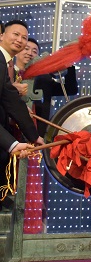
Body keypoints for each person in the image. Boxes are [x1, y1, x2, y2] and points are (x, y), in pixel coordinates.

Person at [0, 20, 44, 208]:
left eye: (24, 37)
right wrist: (12, 144)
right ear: (1, 35)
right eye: (16, 34)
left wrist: (34, 136)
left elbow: (11, 101)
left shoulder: (4, 63)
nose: (20, 40)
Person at [15, 38, 79, 137]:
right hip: (11, 131)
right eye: (26, 49)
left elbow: (71, 89)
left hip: (38, 133)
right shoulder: (7, 73)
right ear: (17, 52)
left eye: (34, 51)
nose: (30, 53)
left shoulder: (44, 79)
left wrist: (68, 63)